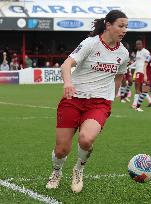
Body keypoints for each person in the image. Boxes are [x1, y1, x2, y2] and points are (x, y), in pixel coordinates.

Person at [46, 10, 129, 193]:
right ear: (108, 25)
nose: (124, 30)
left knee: (86, 139)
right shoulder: (90, 43)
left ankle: (79, 169)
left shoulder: (123, 53)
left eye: (126, 27)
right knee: (61, 150)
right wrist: (68, 83)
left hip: (99, 103)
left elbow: (118, 78)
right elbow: (66, 64)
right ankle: (56, 172)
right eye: (120, 26)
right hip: (73, 99)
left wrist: (111, 100)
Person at [131, 40, 151, 110]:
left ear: (142, 45)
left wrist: (147, 66)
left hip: (141, 72)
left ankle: (134, 104)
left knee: (137, 87)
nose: (138, 46)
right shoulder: (137, 52)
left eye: (139, 44)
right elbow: (137, 61)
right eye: (137, 44)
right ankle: (150, 101)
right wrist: (130, 65)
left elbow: (150, 58)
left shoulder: (145, 51)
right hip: (138, 71)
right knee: (140, 89)